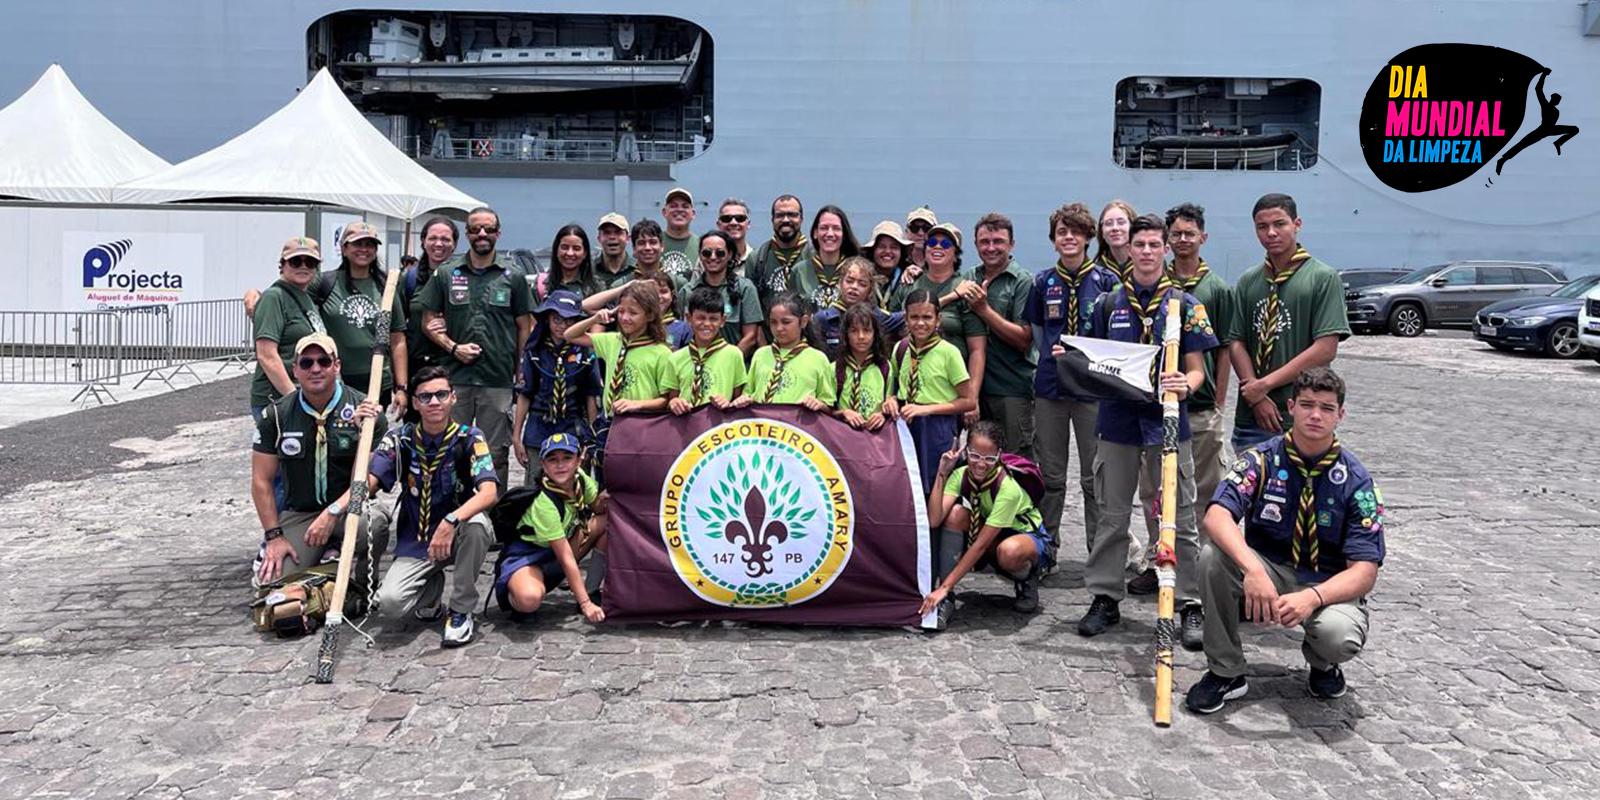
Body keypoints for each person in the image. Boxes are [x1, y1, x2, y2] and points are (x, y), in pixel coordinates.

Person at [1185, 367, 1384, 714]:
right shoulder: (1261, 460)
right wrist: (1252, 570)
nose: (1315, 415)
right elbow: (1217, 515)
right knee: (1211, 557)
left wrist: (1312, 597)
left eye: (1326, 407)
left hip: (1325, 582)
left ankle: (1323, 664)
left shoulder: (1356, 481)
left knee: (1338, 635)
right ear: (1291, 407)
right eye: (1307, 405)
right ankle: (1226, 670)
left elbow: (1364, 572)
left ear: (1341, 415)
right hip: (1270, 571)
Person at [1077, 214, 1219, 646]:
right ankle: (1105, 596)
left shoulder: (1186, 304)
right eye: (1139, 245)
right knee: (1112, 514)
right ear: (1129, 249)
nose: (1145, 252)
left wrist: (1184, 383)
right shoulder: (1108, 304)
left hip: (1168, 424)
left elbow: (1197, 371)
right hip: (1118, 422)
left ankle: (1190, 602)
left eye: (1154, 245)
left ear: (1165, 250)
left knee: (1180, 516)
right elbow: (1092, 357)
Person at [1129, 203, 1237, 595]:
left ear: (1203, 238)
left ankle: (1199, 572)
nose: (1182, 240)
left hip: (1200, 406)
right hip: (1153, 410)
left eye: (1190, 234)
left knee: (1200, 493)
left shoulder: (1216, 289)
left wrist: (1217, 399)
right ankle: (1161, 560)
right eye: (1176, 234)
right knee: (1152, 492)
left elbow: (1223, 348)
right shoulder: (1154, 286)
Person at [365, 366, 500, 647]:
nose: (434, 402)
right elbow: (369, 482)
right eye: (426, 397)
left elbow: (489, 493)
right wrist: (332, 512)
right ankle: (431, 590)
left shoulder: (470, 438)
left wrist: (451, 521)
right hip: (417, 540)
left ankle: (461, 610)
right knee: (390, 604)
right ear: (415, 402)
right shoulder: (400, 438)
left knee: (477, 525)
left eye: (441, 394)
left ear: (453, 397)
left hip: (458, 533)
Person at [249, 333, 388, 607]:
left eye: (323, 361)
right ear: (295, 369)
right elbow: (261, 481)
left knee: (376, 524)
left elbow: (369, 480)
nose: (315, 369)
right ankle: (330, 572)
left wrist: (333, 511)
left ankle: (358, 580)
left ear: (336, 366)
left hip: (348, 511)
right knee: (271, 591)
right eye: (307, 362)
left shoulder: (364, 411)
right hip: (301, 515)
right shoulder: (275, 416)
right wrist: (274, 537)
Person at [1025, 202, 1119, 553]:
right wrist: (1057, 360)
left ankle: (1098, 550)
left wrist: (1082, 362)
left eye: (1075, 232)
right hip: (1051, 388)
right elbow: (1038, 331)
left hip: (1092, 391)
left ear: (1087, 238)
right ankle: (1047, 546)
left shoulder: (1107, 283)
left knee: (1094, 475)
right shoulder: (1042, 282)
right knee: (1051, 475)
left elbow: (1113, 336)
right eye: (1062, 232)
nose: (1068, 238)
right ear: (1053, 241)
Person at [420, 207, 535, 485]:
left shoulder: (514, 276)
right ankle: (449, 512)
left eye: (488, 229)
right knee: (448, 448)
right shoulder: (446, 274)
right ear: (468, 235)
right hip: (455, 378)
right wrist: (452, 347)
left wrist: (521, 369)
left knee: (494, 453)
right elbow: (427, 322)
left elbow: (525, 327)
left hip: (497, 380)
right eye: (475, 229)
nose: (481, 234)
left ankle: (492, 517)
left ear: (498, 233)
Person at [1227, 193, 1350, 451]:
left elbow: (1326, 348)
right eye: (1262, 227)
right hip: (1251, 418)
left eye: (1279, 224)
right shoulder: (1249, 281)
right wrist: (1256, 396)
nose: (1271, 233)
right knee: (1249, 487)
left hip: (1301, 416)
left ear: (1297, 224)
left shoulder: (1322, 278)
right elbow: (1236, 341)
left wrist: (1264, 386)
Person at [918, 420, 1054, 616]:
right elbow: (934, 519)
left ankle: (1027, 577)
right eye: (974, 455)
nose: (980, 464)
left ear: (999, 455)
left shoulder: (1008, 489)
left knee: (1009, 552)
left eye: (989, 458)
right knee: (955, 514)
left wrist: (944, 587)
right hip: (992, 533)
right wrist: (942, 474)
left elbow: (980, 545)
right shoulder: (960, 475)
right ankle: (947, 598)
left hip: (1025, 537)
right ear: (965, 451)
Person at [564, 281, 674, 480]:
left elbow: (666, 400)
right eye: (621, 311)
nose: (625, 317)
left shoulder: (661, 352)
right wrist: (596, 319)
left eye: (633, 313)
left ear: (649, 316)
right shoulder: (613, 341)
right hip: (611, 424)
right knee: (605, 480)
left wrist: (636, 405)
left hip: (643, 427)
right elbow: (570, 335)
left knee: (634, 481)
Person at [496, 432, 608, 624]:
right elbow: (565, 558)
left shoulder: (580, 479)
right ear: (543, 464)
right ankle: (514, 592)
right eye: (552, 459)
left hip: (556, 553)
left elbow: (596, 506)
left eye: (567, 458)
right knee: (529, 599)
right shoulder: (543, 503)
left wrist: (606, 499)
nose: (560, 465)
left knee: (608, 520)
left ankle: (591, 588)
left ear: (579, 459)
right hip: (529, 557)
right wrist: (585, 604)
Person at [955, 213, 1035, 460]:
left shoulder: (1023, 282)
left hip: (1011, 389)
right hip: (973, 390)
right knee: (979, 462)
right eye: (984, 241)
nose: (991, 248)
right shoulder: (968, 278)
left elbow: (1024, 339)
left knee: (1015, 461)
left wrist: (983, 309)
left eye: (998, 241)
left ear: (1011, 244)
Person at [893, 223, 987, 424]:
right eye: (932, 243)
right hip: (912, 390)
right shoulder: (910, 283)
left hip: (950, 392)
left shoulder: (967, 288)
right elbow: (898, 325)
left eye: (945, 243)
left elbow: (977, 349)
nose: (937, 247)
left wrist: (973, 397)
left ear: (956, 253)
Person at [318, 222, 409, 411]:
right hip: (337, 379)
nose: (364, 249)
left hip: (377, 380)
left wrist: (401, 388)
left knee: (372, 434)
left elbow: (397, 338)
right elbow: (292, 290)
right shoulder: (325, 282)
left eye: (370, 244)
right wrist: (255, 294)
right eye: (358, 244)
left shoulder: (387, 286)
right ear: (344, 248)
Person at [896, 288, 977, 495]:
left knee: (937, 487)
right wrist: (890, 400)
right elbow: (894, 389)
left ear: (938, 320)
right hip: (907, 426)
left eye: (927, 317)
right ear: (906, 319)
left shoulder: (949, 353)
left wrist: (926, 410)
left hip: (938, 427)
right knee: (908, 487)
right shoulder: (901, 349)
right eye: (914, 317)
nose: (920, 323)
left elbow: (968, 401)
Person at [511, 290, 599, 482]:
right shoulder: (534, 352)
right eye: (557, 319)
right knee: (535, 483)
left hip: (573, 427)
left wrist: (592, 438)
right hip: (539, 427)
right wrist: (517, 437)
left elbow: (590, 396)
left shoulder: (585, 353)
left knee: (574, 484)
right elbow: (525, 394)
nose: (562, 326)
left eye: (569, 321)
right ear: (547, 319)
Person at [251, 237, 327, 418]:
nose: (303, 266)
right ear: (282, 265)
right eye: (295, 261)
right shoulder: (274, 297)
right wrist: (294, 399)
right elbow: (266, 355)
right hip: (279, 399)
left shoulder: (305, 296)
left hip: (305, 397)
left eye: (310, 262)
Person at [734, 292, 836, 410]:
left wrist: (819, 404)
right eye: (773, 322)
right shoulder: (760, 354)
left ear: (803, 322)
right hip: (763, 426)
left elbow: (828, 406)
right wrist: (744, 399)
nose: (779, 328)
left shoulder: (818, 359)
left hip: (796, 426)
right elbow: (749, 393)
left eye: (786, 322)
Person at [676, 229, 763, 355]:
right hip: (695, 364)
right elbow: (681, 333)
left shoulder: (745, 288)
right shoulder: (687, 291)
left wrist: (726, 363)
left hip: (733, 365)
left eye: (720, 253)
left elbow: (751, 337)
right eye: (706, 253)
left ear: (730, 254)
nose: (713, 257)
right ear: (700, 255)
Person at [665, 287, 749, 414]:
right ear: (688, 318)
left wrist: (729, 403)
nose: (707, 324)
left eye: (713, 319)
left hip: (719, 428)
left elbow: (739, 399)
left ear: (722, 321)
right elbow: (671, 399)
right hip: (685, 427)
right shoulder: (676, 358)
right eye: (701, 318)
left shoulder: (734, 354)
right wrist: (674, 402)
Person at [403, 217, 459, 384]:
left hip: (454, 366)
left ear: (454, 244)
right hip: (418, 367)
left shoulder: (464, 277)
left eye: (445, 239)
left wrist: (450, 321)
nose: (439, 244)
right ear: (423, 241)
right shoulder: (409, 279)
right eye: (433, 238)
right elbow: (398, 329)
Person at [1495, 68, 1580, 175]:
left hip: (1552, 129)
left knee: (1575, 129)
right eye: (1557, 99)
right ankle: (1503, 160)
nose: (1558, 101)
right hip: (1542, 130)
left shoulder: (1556, 110)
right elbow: (1538, 89)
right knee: (1522, 144)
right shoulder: (1546, 105)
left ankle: (1559, 142)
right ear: (1552, 99)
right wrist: (1544, 75)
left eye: (1559, 100)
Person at [814, 257, 905, 356]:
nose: (854, 287)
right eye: (849, 281)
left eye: (862, 284)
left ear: (870, 290)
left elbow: (911, 316)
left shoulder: (876, 317)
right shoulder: (823, 319)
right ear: (840, 283)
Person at [832, 303, 898, 431]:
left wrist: (882, 415)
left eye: (867, 330)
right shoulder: (835, 369)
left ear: (875, 334)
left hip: (875, 437)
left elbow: (889, 403)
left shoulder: (884, 367)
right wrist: (844, 413)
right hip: (841, 436)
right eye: (854, 331)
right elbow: (827, 411)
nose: (861, 336)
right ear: (846, 335)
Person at [790, 205, 861, 312]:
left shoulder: (857, 270)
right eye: (824, 228)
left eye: (836, 228)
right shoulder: (800, 271)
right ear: (815, 233)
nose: (830, 234)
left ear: (844, 234)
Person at [749, 194, 815, 307]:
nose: (785, 220)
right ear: (772, 220)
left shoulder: (815, 255)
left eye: (792, 215)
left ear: (801, 219)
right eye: (780, 215)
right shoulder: (757, 259)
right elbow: (751, 307)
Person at [537, 223, 602, 302]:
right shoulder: (541, 285)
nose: (570, 253)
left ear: (585, 253)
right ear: (556, 250)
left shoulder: (596, 287)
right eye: (564, 247)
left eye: (576, 248)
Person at [865, 220, 917, 310]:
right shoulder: (861, 278)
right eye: (881, 246)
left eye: (894, 247)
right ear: (873, 251)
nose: (888, 251)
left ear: (902, 252)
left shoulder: (909, 278)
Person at [659, 187, 700, 282]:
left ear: (693, 214)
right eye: (673, 206)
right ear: (664, 212)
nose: (679, 210)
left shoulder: (702, 245)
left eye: (685, 206)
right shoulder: (652, 243)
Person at [1093, 200, 1136, 281]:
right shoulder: (1095, 273)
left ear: (1132, 227)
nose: (1115, 228)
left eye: (1121, 222)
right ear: (1102, 232)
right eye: (1109, 223)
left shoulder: (1148, 265)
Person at [593, 212, 636, 289]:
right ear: (599, 239)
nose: (612, 237)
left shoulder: (637, 269)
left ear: (628, 238)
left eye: (618, 232)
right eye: (607, 232)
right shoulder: (589, 270)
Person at [715, 198, 756, 278]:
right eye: (727, 219)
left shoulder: (758, 260)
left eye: (740, 218)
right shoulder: (708, 258)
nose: (733, 222)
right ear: (718, 225)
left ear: (748, 224)